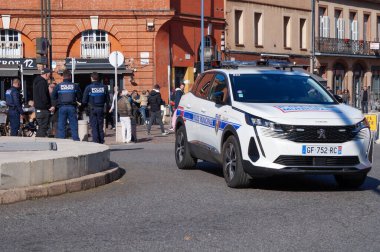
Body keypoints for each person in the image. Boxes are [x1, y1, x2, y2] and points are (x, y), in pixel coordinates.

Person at [51, 70, 82, 141]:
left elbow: (53, 96)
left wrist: (55, 104)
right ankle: (76, 140)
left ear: (63, 77)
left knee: (61, 125)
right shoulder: (75, 86)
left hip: (62, 107)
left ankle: (62, 141)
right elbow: (80, 97)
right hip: (72, 107)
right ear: (70, 76)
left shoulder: (58, 86)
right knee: (73, 125)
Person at [82, 72, 110, 144]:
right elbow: (108, 100)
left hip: (92, 109)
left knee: (94, 126)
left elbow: (84, 100)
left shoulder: (88, 87)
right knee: (100, 126)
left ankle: (96, 141)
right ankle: (101, 141)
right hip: (101, 108)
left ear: (91, 78)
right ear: (98, 78)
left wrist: (83, 108)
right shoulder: (104, 87)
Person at [33, 68, 55, 137]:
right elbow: (43, 96)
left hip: (38, 109)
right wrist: (49, 106)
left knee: (41, 127)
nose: (50, 76)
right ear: (46, 74)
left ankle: (38, 142)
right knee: (43, 127)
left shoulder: (37, 81)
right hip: (43, 109)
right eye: (49, 74)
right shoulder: (42, 82)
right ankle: (39, 143)